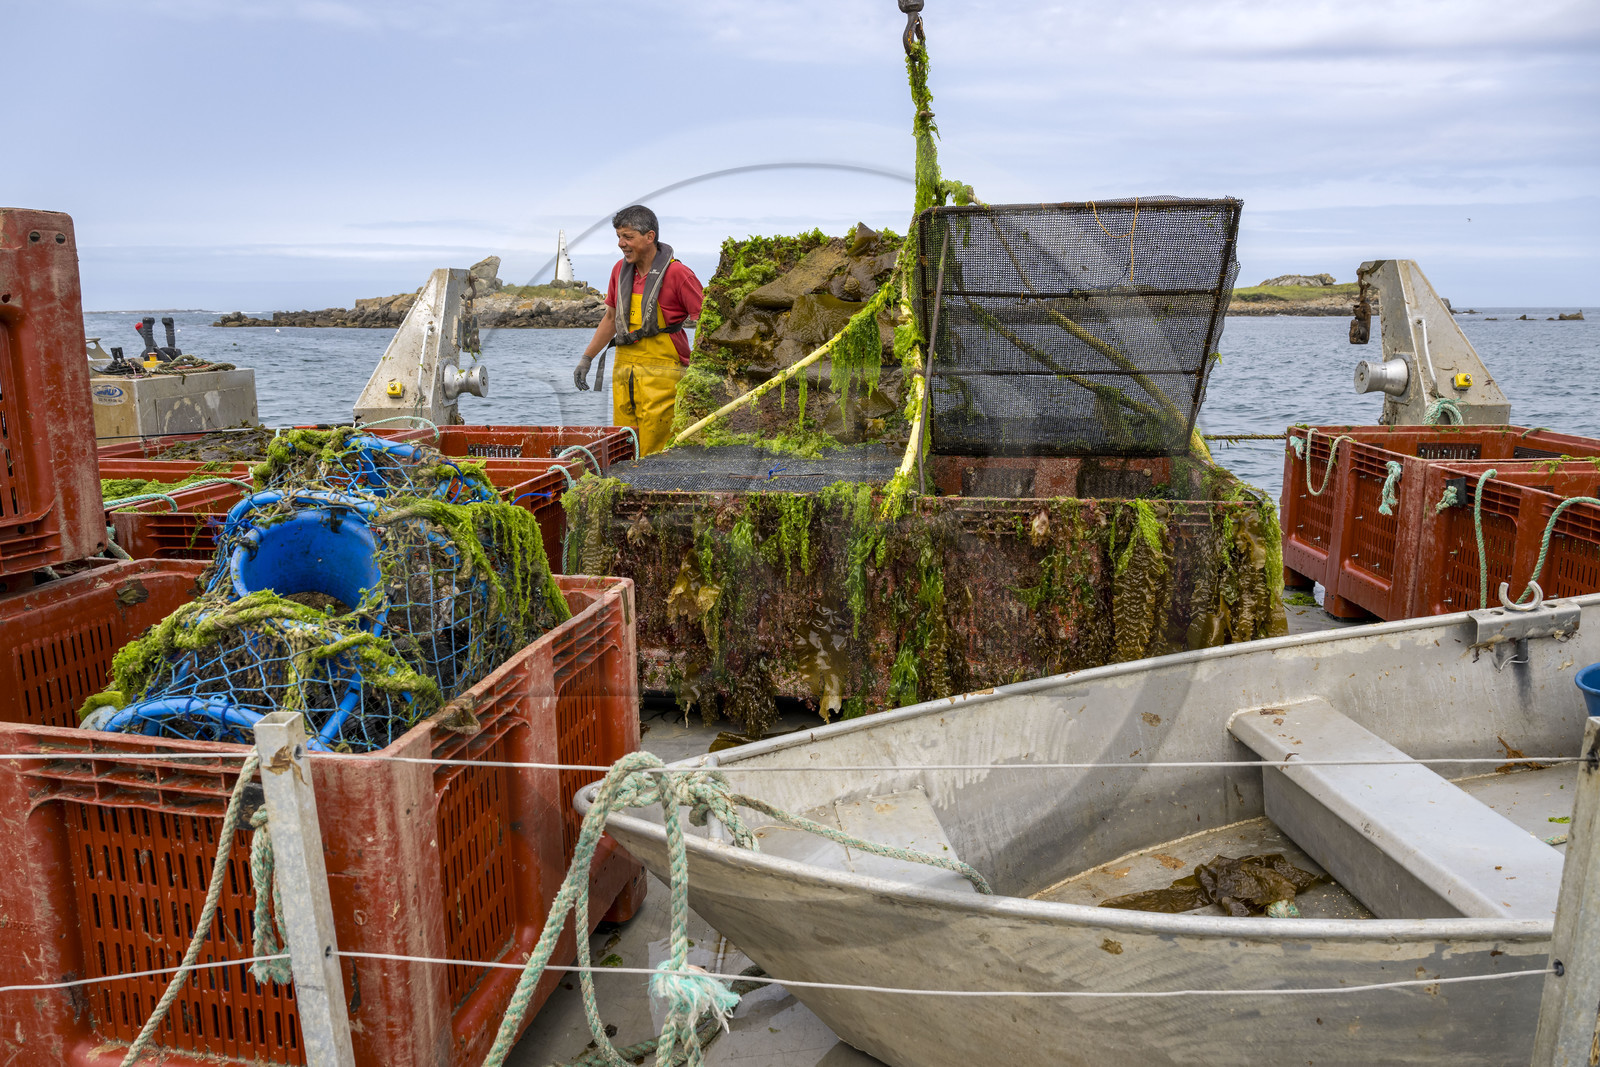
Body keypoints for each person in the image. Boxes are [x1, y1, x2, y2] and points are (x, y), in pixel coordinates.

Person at [573, 206, 703, 456]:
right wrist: (586, 358)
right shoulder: (618, 271)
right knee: (623, 442)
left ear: (650, 236)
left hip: (664, 373)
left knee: (658, 450)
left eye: (628, 237)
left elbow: (707, 322)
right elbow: (610, 318)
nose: (621, 243)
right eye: (619, 237)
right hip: (624, 372)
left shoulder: (678, 274)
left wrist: (704, 369)